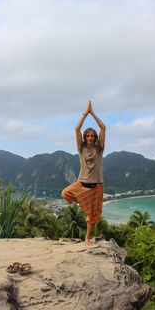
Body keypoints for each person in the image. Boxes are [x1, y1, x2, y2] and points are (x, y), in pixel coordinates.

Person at [62, 100, 106, 245]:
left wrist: (93, 113)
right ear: (85, 137)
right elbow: (76, 129)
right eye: (88, 136)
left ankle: (87, 237)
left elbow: (103, 127)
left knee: (92, 215)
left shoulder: (99, 149)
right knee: (65, 193)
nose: (90, 138)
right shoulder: (81, 149)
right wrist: (85, 114)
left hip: (96, 186)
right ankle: (82, 202)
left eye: (92, 136)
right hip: (82, 183)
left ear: (95, 138)